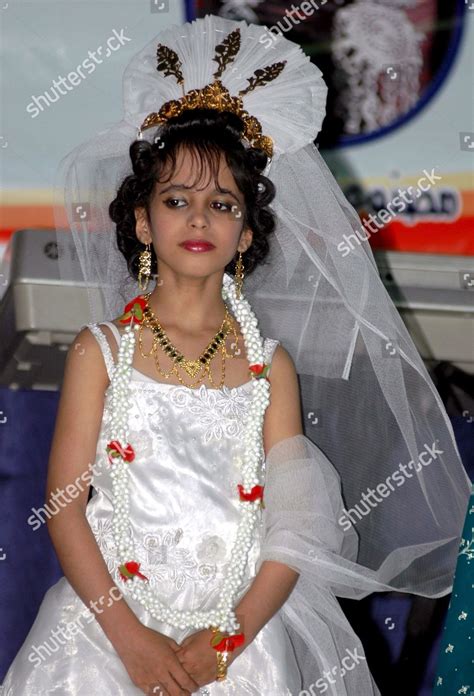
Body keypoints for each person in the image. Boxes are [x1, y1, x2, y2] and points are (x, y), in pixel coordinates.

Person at [1, 13, 471, 696]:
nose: (199, 218)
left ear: (247, 233)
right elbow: (64, 505)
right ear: (141, 220)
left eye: (222, 203)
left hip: (241, 642)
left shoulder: (268, 364)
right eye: (176, 199)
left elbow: (296, 526)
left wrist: (227, 644)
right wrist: (130, 642)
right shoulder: (98, 353)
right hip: (106, 635)